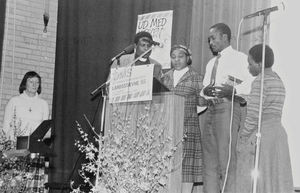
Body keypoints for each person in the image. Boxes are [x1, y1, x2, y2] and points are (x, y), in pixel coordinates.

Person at [201, 23, 253, 193]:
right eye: (209, 39)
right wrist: (205, 91)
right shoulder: (211, 63)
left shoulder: (240, 58)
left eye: (213, 38)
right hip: (210, 110)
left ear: (224, 37)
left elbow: (251, 83)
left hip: (227, 109)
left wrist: (234, 90)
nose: (210, 43)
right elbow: (204, 89)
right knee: (209, 163)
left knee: (226, 159)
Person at [236, 44, 294, 193]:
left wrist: (243, 136)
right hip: (278, 134)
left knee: (259, 179)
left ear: (259, 64)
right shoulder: (277, 80)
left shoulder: (259, 81)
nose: (248, 67)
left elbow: (254, 114)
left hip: (264, 135)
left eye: (250, 63)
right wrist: (248, 98)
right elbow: (268, 104)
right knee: (276, 178)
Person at [161, 45, 206, 193]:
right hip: (167, 128)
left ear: (188, 58)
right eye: (173, 57)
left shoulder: (196, 77)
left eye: (180, 56)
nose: (176, 60)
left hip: (188, 127)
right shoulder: (164, 77)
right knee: (168, 165)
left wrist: (189, 114)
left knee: (187, 167)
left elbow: (202, 103)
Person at [2, 71, 50, 192]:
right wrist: (8, 146)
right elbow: (6, 126)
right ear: (25, 83)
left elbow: (46, 128)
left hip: (35, 147)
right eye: (31, 81)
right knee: (15, 181)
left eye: (37, 82)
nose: (34, 85)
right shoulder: (14, 101)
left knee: (33, 184)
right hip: (16, 146)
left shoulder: (43, 104)